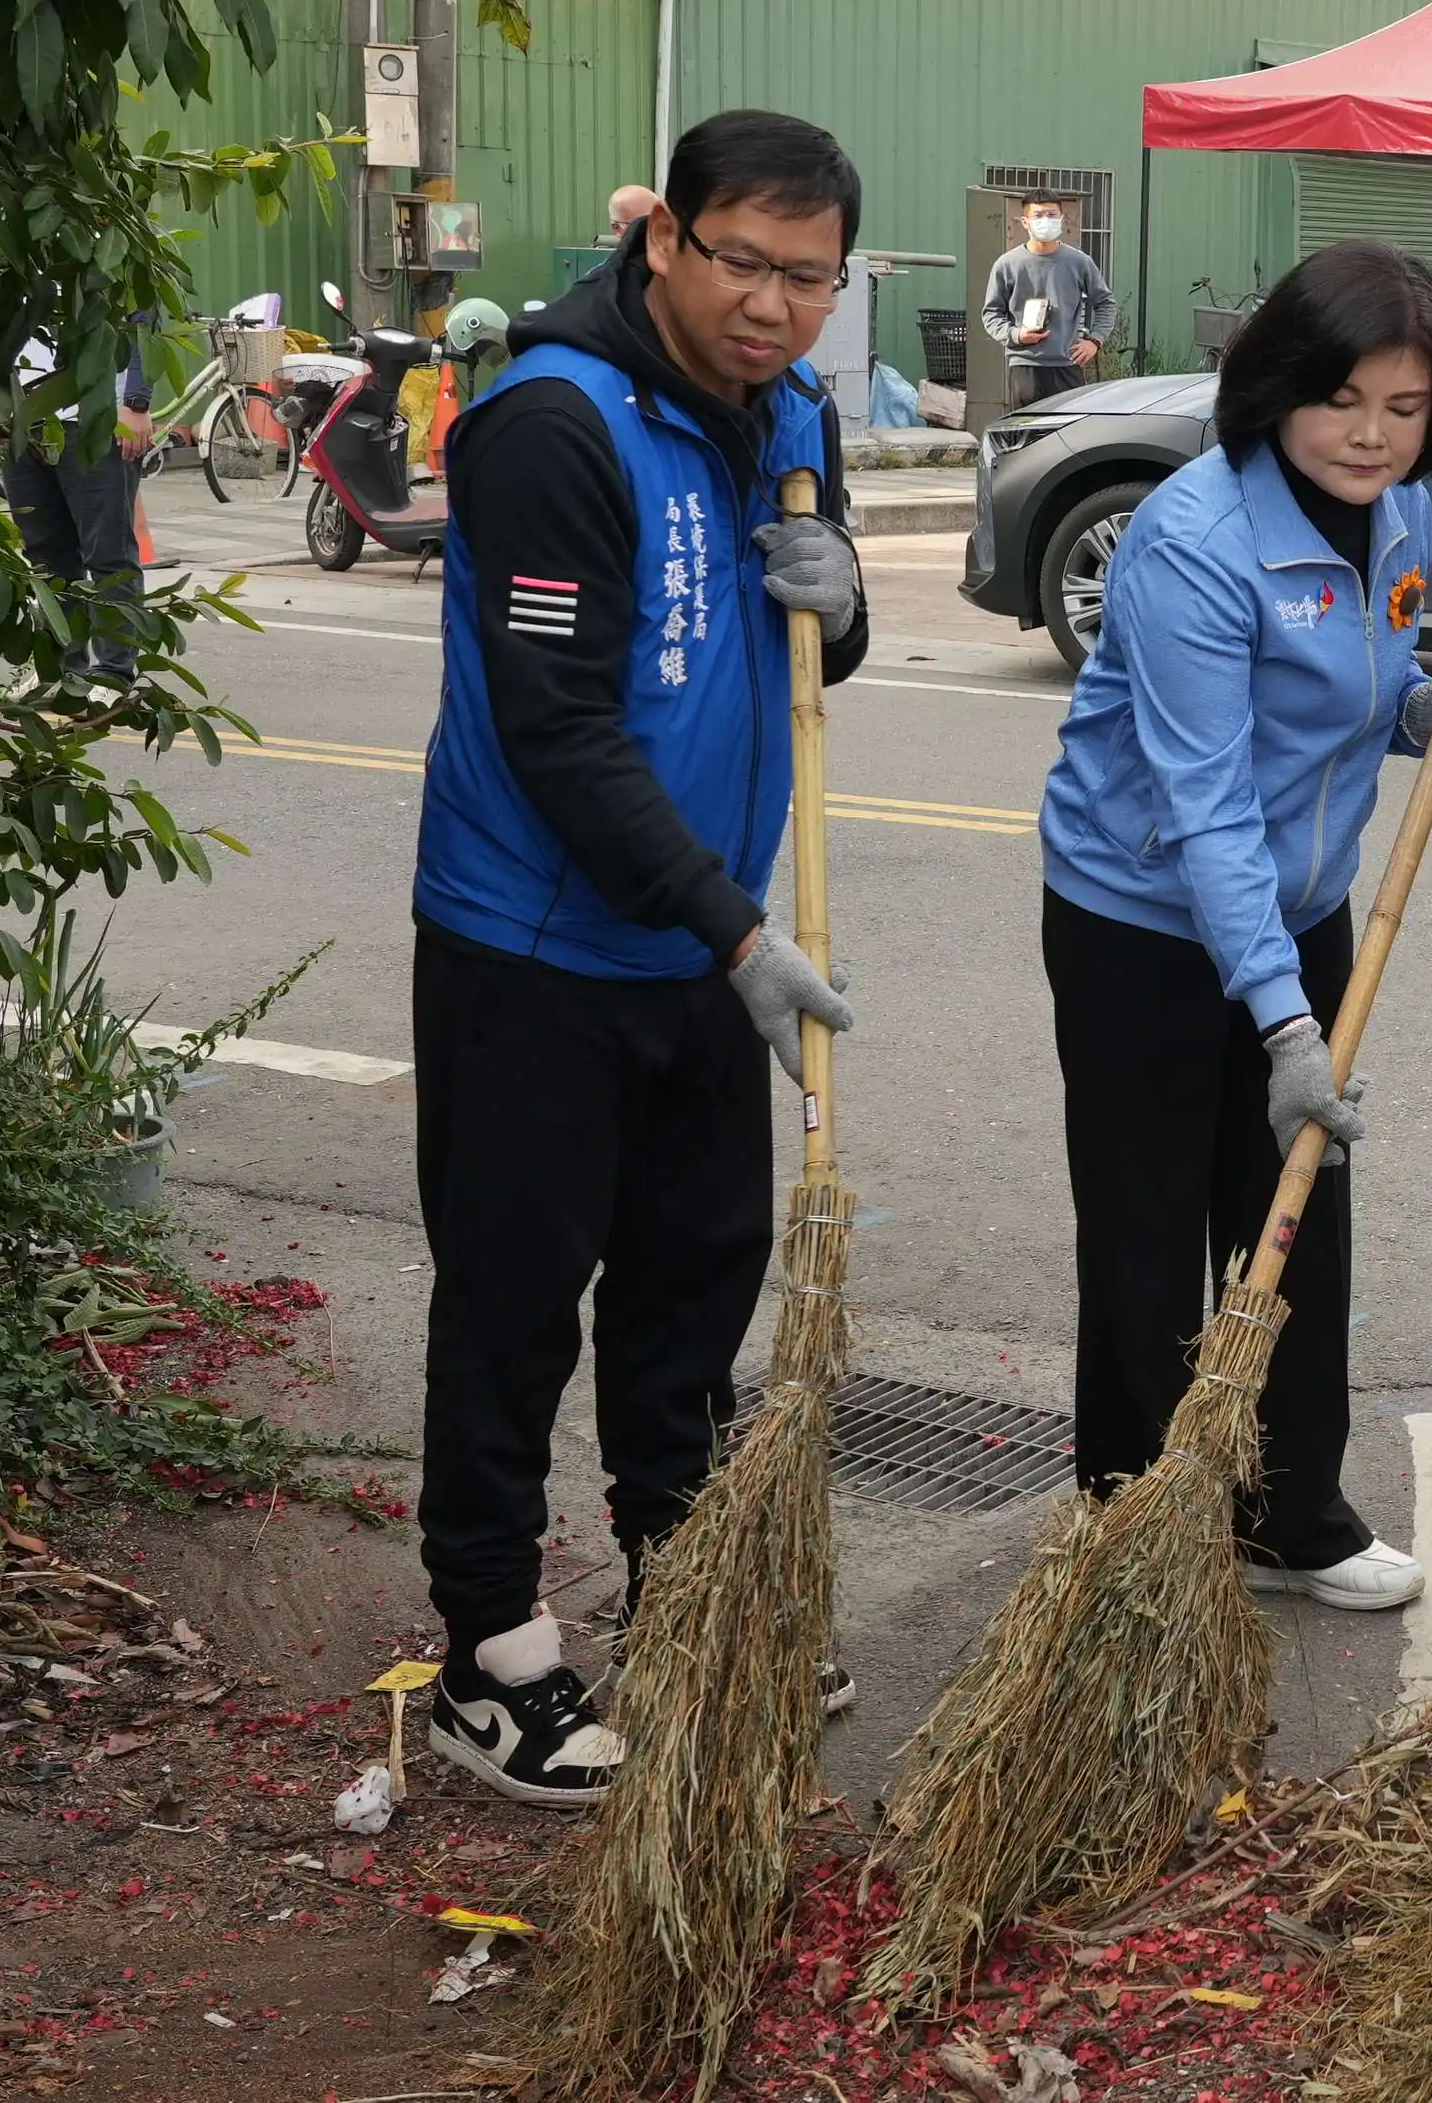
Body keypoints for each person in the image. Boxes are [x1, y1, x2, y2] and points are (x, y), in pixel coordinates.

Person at [406, 110, 871, 1805]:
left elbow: (796, 638)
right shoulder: (551, 419)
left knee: (695, 1282)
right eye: (740, 260)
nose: (770, 305)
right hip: (534, 947)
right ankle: (486, 1654)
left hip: (692, 935)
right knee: (515, 1303)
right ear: (663, 239)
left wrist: (845, 593)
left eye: (805, 278)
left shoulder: (788, 411)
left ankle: (687, 1587)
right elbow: (558, 731)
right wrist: (738, 930)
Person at [1038, 241, 1432, 1611]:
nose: (1371, 434)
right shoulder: (1195, 540)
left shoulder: (1400, 510)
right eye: (1342, 398)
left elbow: (1350, 684)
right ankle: (1134, 1519)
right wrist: (1285, 1021)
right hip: (1142, 914)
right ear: (1274, 388)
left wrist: (1421, 702)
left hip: (1295, 904)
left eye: (1405, 407)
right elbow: (1202, 801)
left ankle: (1289, 1510)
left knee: (1295, 1212)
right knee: (1148, 1224)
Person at [2, 334, 152, 685]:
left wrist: (136, 402)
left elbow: (144, 322)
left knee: (108, 554)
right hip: (21, 418)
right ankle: (60, 670)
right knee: (46, 556)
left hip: (96, 418)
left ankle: (113, 673)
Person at [979, 192, 1121, 401]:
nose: (1045, 220)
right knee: (1027, 431)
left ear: (1062, 219)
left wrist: (1094, 341)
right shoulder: (1007, 264)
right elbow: (991, 313)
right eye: (1038, 215)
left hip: (1067, 365)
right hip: (1025, 366)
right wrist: (1016, 335)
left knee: (1068, 432)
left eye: (1051, 214)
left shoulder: (1079, 262)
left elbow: (1105, 303)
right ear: (1025, 222)